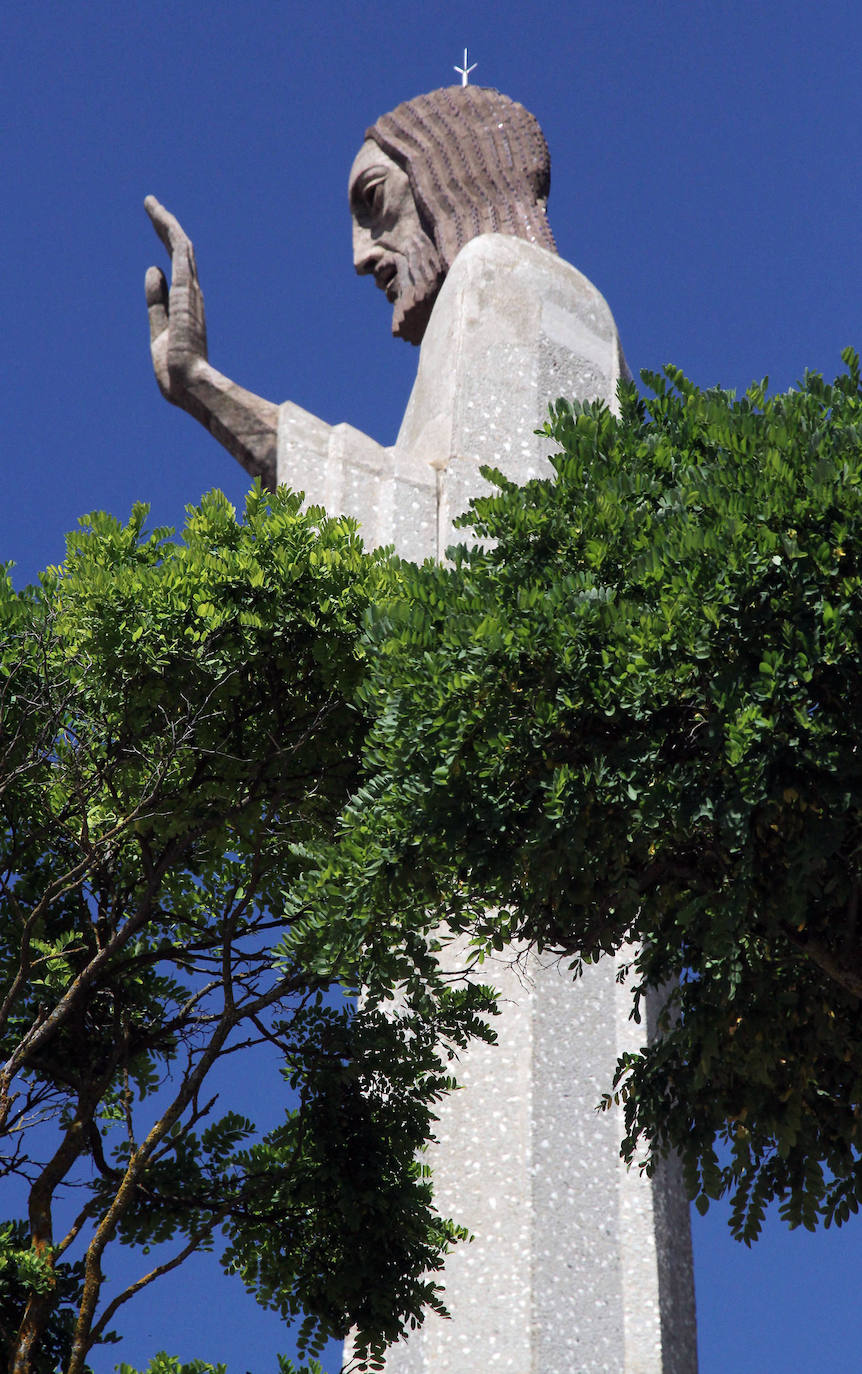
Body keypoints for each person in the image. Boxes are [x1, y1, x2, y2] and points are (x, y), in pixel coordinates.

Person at [145, 87, 559, 491]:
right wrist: (197, 382)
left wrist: (201, 384)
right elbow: (410, 512)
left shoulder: (512, 283)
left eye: (375, 198)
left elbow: (463, 512)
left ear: (448, 179)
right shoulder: (447, 361)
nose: (360, 256)